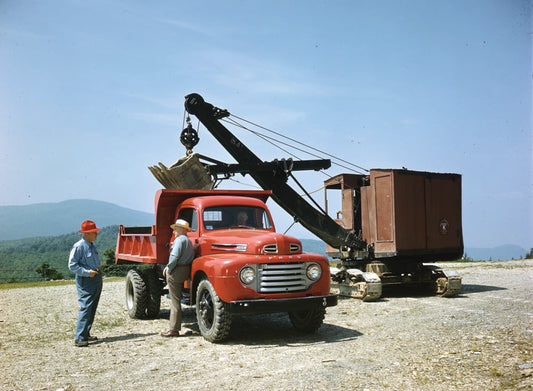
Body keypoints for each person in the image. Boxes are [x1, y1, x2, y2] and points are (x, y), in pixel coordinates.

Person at [68, 220, 103, 347]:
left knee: (92, 307)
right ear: (86, 234)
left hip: (95, 278)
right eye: (94, 232)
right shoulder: (79, 246)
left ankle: (86, 333)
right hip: (86, 280)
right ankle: (79, 338)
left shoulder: (91, 245)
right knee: (86, 306)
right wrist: (88, 273)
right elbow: (72, 266)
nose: (96, 234)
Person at [161, 219, 195, 337]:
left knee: (175, 301)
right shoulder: (188, 241)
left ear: (183, 229)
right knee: (177, 300)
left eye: (176, 228)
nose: (174, 230)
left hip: (177, 270)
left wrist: (168, 269)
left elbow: (174, 256)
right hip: (186, 270)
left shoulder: (179, 240)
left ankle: (174, 330)